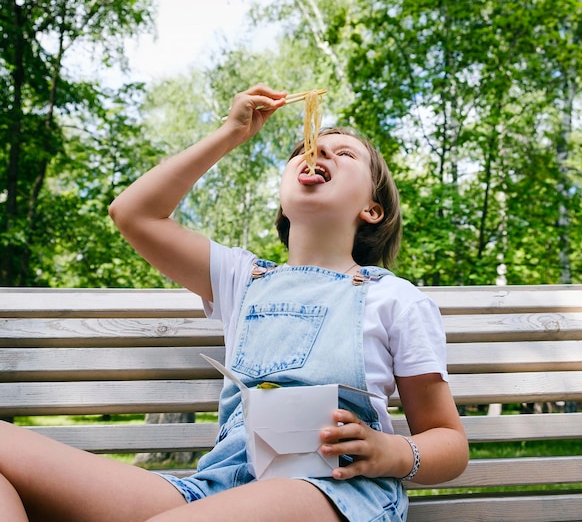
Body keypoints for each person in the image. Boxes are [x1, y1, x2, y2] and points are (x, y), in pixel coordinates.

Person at [0, 83, 468, 522]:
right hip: (213, 491)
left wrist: (393, 453)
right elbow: (133, 212)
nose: (320, 149)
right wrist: (232, 132)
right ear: (283, 204)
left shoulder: (395, 300)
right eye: (307, 149)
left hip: (336, 490)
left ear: (372, 210)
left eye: (344, 153)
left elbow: (450, 442)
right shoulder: (242, 278)